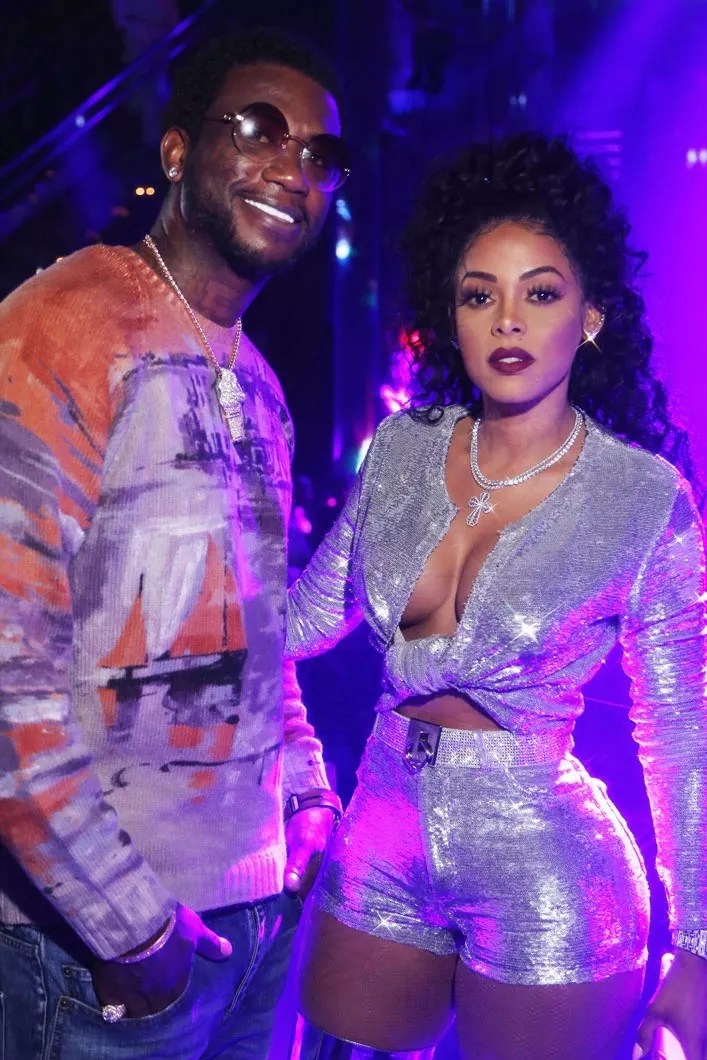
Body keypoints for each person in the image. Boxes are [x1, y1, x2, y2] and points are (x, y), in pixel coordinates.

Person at [285, 134, 707, 1059]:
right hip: (380, 825)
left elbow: (680, 733)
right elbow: (307, 619)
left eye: (540, 293)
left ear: (589, 317)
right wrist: (185, 585)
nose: (507, 321)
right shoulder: (403, 447)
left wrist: (700, 945)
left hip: (544, 867)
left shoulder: (643, 498)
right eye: (480, 295)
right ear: (453, 315)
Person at [0, 27, 350, 1060]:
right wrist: (130, 928)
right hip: (101, 948)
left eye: (319, 154)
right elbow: (8, 678)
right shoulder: (61, 328)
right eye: (260, 129)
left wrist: (307, 797)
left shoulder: (261, 385)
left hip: (251, 926)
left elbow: (260, 637)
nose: (292, 167)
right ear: (176, 152)